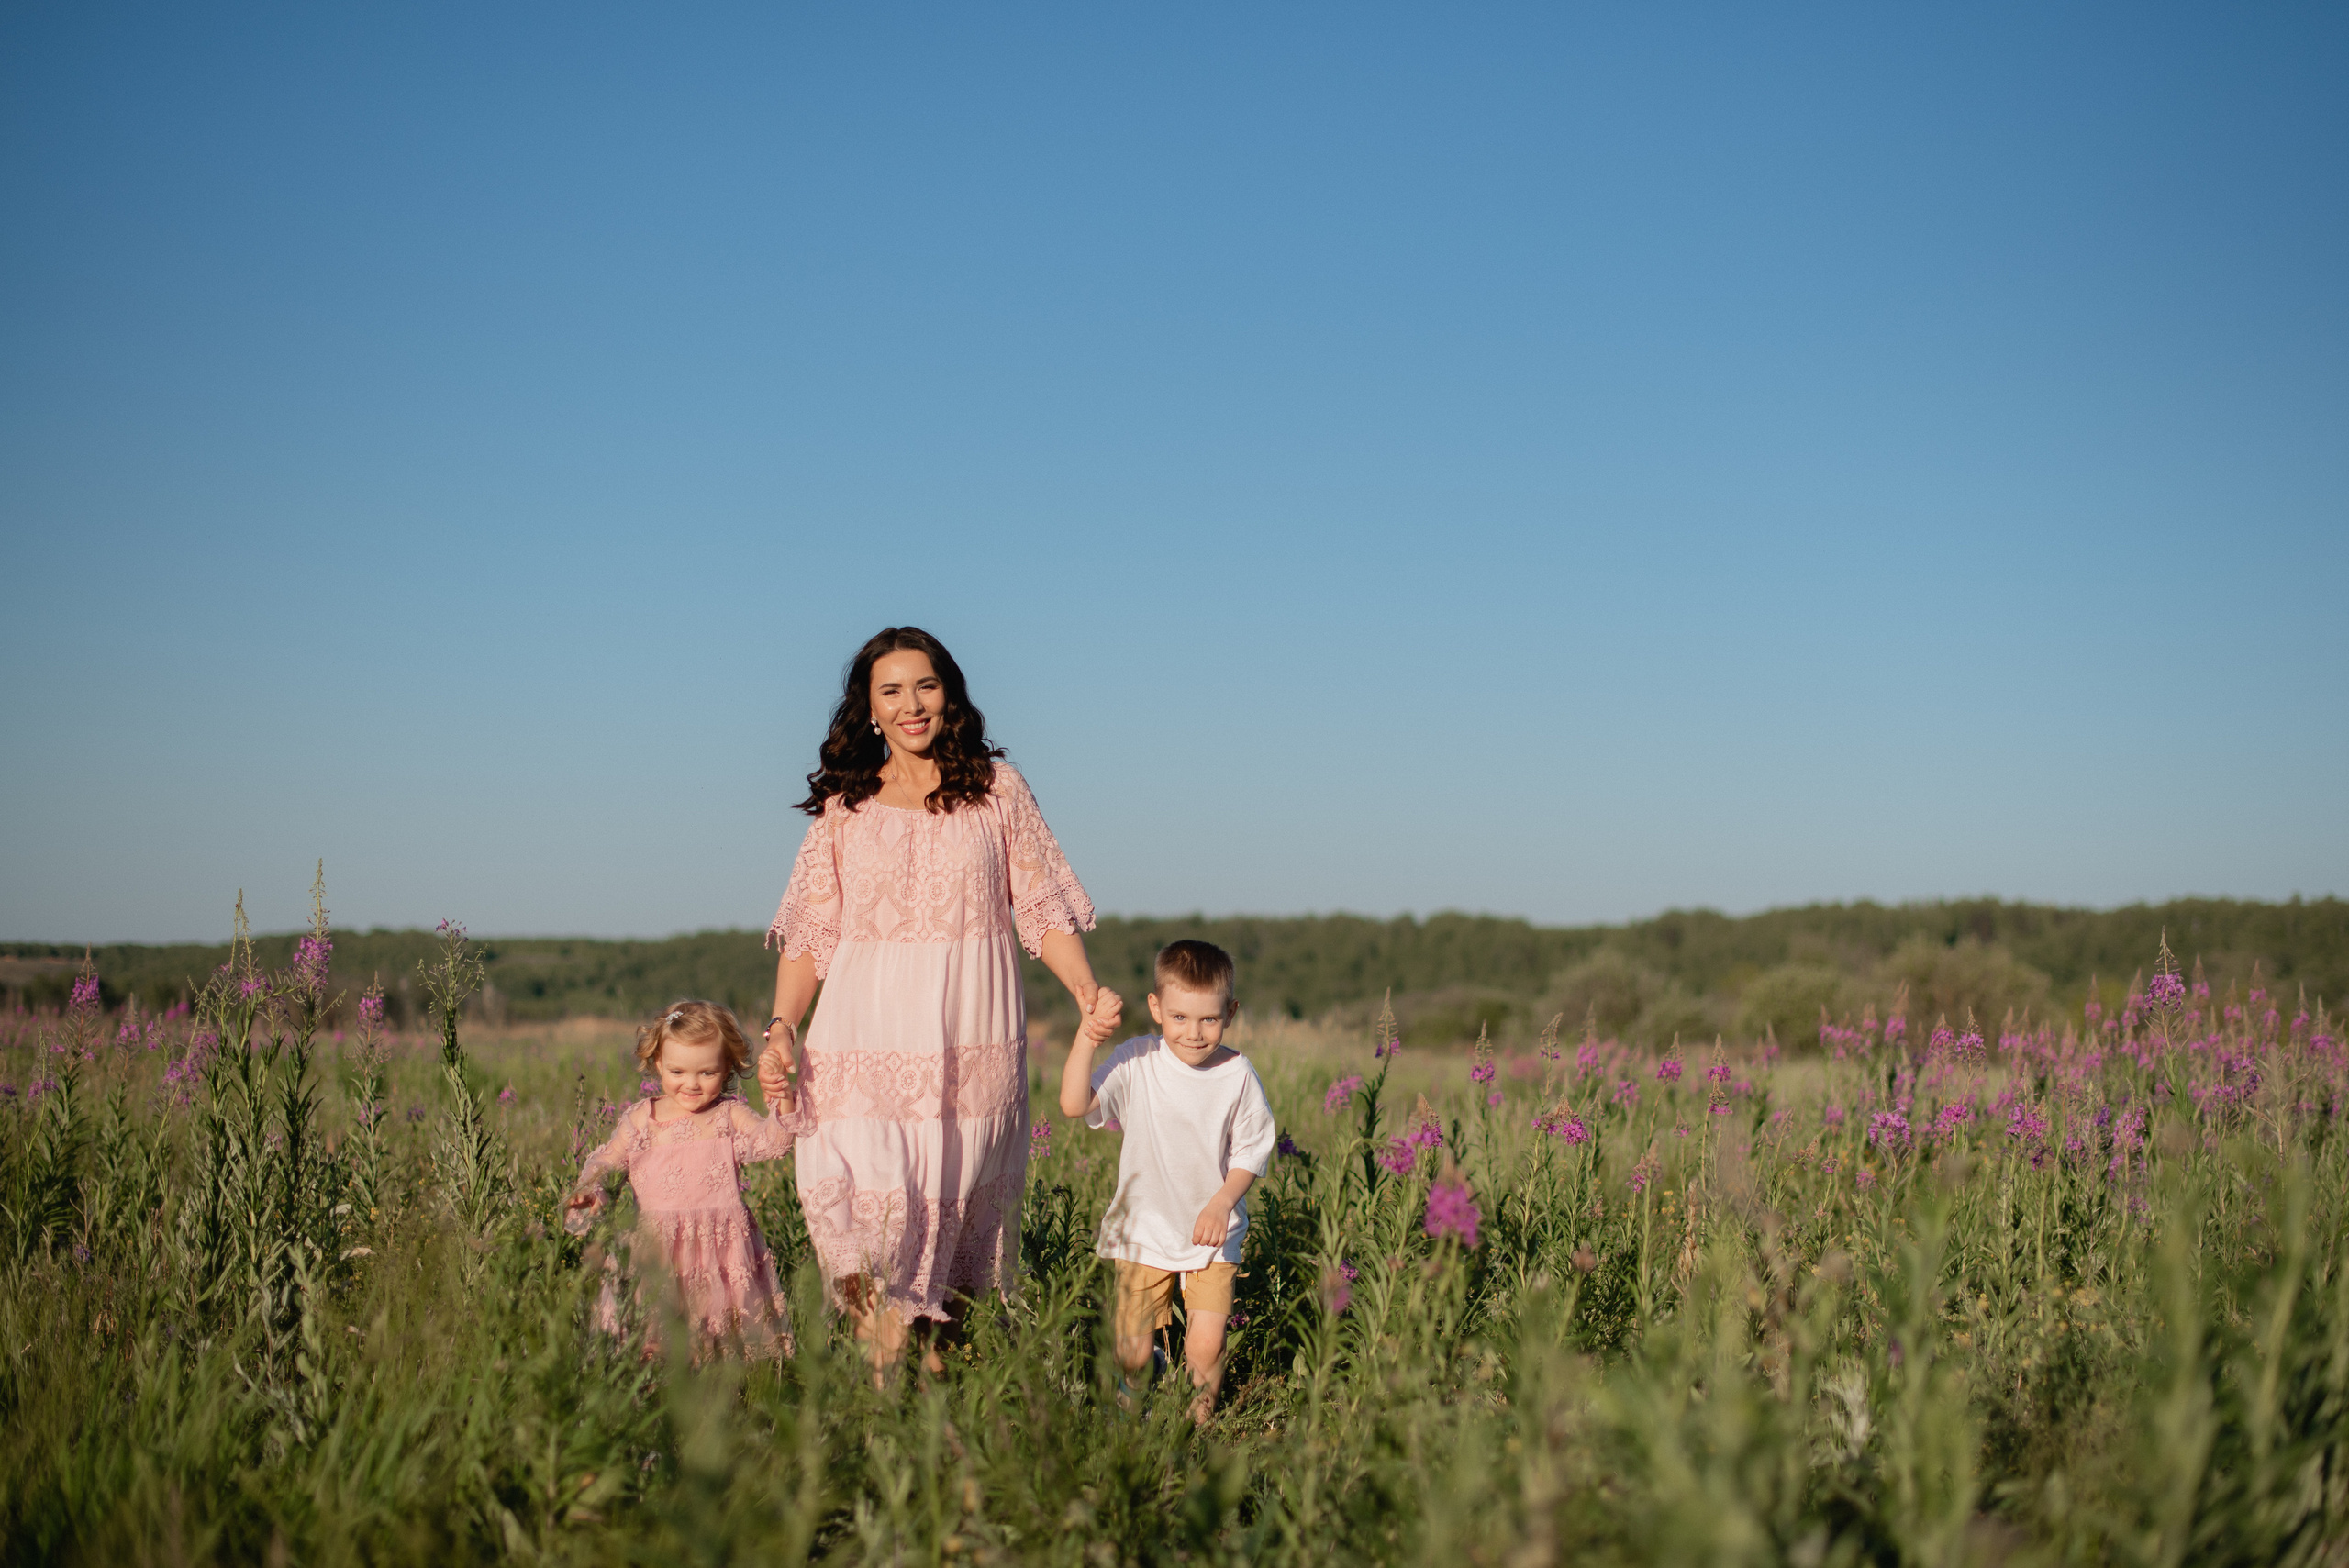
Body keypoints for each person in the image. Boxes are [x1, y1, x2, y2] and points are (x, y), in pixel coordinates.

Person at [756, 626, 1120, 1374]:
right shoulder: (844, 807)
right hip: (858, 1042)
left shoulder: (996, 789)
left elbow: (1041, 903)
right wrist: (782, 1025)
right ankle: (878, 1395)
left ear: (948, 691)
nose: (911, 703)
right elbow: (812, 933)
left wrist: (1085, 988)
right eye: (891, 690)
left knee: (948, 1247)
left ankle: (926, 1416)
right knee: (865, 1226)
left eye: (924, 685)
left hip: (969, 1040)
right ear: (868, 707)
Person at [1058, 939, 1275, 1426]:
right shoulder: (1138, 1061)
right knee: (1132, 1353)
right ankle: (1135, 1413)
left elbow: (1251, 1149)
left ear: (1231, 1012)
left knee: (1206, 1342)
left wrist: (1223, 1203)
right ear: (1156, 1009)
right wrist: (1087, 1038)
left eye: (1209, 1019)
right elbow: (1074, 1105)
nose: (1194, 1034)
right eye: (1179, 1018)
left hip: (1211, 1233)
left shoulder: (1237, 1075)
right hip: (1144, 1230)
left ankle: (1197, 1431)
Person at [565, 1001, 811, 1358]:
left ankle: (724, 1401)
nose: (691, 1085)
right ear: (659, 1064)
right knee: (653, 1338)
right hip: (657, 1250)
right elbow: (606, 1161)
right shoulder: (641, 1120)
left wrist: (783, 1100)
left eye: (706, 1073)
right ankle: (653, 1399)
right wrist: (591, 1188)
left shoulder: (728, 1115)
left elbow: (774, 1143)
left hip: (721, 1249)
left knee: (720, 1340)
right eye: (678, 1071)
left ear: (727, 1067)